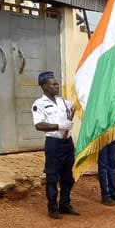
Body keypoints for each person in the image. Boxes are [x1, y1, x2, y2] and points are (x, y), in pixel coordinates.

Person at [32, 71, 79, 219]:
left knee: (68, 177)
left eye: (57, 83)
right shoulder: (39, 104)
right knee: (52, 177)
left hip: (67, 143)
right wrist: (60, 125)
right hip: (54, 143)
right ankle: (52, 207)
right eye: (53, 84)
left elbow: (78, 106)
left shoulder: (64, 102)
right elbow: (39, 125)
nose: (57, 86)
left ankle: (65, 204)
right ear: (44, 86)